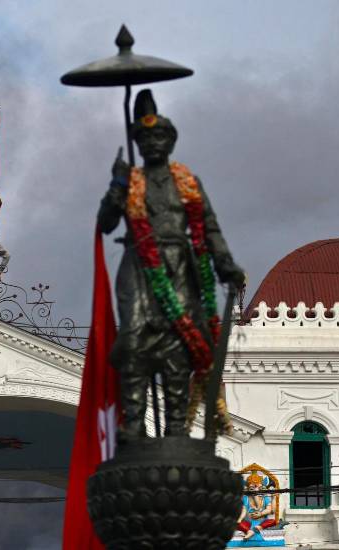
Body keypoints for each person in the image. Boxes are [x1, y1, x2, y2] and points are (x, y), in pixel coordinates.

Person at [97, 90, 245, 442]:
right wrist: (117, 183)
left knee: (180, 342)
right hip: (139, 264)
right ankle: (134, 424)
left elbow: (209, 227)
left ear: (171, 142)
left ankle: (176, 428)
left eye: (159, 137)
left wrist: (225, 265)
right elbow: (105, 224)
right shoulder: (130, 181)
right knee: (133, 339)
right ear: (137, 142)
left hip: (179, 264)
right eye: (145, 138)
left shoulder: (187, 182)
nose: (152, 143)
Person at [237, 473, 276, 540]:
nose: (255, 489)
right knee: (236, 523)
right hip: (248, 521)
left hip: (261, 521)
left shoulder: (265, 497)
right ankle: (249, 531)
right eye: (252, 488)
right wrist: (240, 519)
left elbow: (269, 510)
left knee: (273, 521)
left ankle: (254, 530)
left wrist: (261, 514)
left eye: (257, 487)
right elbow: (244, 510)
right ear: (248, 488)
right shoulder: (246, 498)